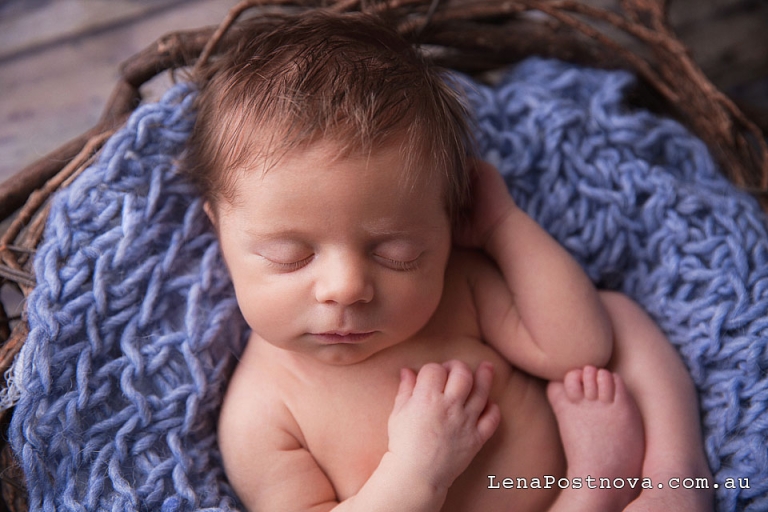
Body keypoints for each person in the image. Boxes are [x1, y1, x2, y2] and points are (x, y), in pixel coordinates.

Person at [182, 10, 713, 512]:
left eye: (397, 254)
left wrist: (503, 227)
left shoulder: (453, 290)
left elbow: (579, 349)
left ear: (449, 223)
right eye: (289, 256)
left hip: (560, 478)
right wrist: (417, 471)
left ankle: (674, 480)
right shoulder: (262, 414)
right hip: (572, 491)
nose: (346, 288)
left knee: (617, 315)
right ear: (219, 228)